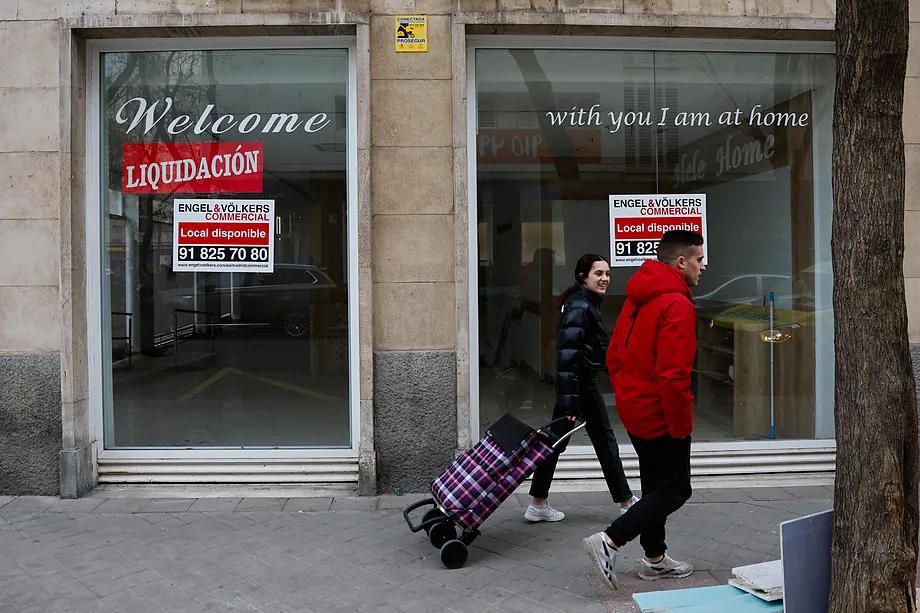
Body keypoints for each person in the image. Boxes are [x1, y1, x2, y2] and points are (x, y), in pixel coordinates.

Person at [582, 230, 705, 589]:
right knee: (676, 489)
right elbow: (673, 375)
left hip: (635, 408)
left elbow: (614, 355)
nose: (703, 266)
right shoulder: (677, 304)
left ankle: (654, 559)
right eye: (699, 259)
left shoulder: (638, 296)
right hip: (660, 413)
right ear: (680, 262)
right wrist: (680, 425)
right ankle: (609, 540)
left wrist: (628, 394)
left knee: (654, 486)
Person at [523, 254, 638, 523]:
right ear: (582, 276)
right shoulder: (580, 306)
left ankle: (538, 503)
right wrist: (571, 402)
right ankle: (626, 501)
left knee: (554, 444)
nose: (605, 278)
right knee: (604, 441)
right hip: (579, 386)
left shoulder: (583, 303)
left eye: (608, 273)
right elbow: (567, 357)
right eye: (598, 273)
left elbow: (584, 351)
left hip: (575, 386)